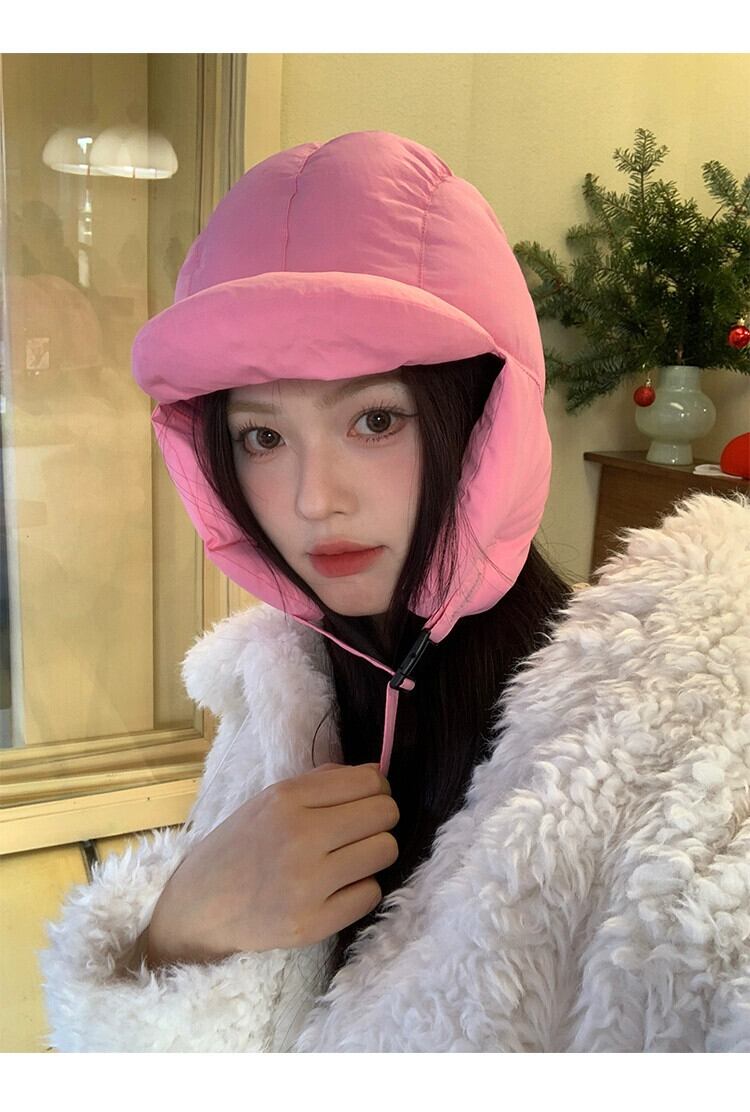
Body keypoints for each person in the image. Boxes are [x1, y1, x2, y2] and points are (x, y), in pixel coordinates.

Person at [38, 131, 750, 1052]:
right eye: (263, 438)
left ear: (481, 421)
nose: (313, 499)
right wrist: (176, 934)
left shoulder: (681, 749)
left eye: (375, 419)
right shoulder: (277, 695)